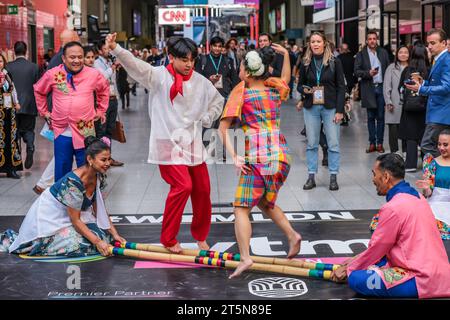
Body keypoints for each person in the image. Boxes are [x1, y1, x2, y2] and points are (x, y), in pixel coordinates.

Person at [106, 33, 224, 253]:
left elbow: (218, 101)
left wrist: (208, 117)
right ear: (171, 57)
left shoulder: (201, 82)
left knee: (203, 190)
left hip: (192, 143)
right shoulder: (158, 76)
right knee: (183, 186)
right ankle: (168, 239)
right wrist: (116, 49)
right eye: (184, 59)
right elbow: (135, 65)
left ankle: (200, 236)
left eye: (192, 60)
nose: (189, 64)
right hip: (167, 143)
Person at [219, 44, 302, 279]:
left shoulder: (241, 92)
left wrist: (235, 157)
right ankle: (292, 236)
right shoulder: (274, 89)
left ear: (247, 71)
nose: (239, 70)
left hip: (258, 157)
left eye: (242, 66)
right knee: (266, 204)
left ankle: (245, 257)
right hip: (281, 157)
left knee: (241, 208)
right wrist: (286, 55)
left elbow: (222, 128)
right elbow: (285, 78)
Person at [331, 153, 450, 298]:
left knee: (356, 278)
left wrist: (349, 268)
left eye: (374, 174)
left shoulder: (393, 207)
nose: (373, 179)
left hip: (422, 278)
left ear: (386, 177)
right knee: (367, 265)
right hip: (442, 274)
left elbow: (378, 248)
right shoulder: (418, 197)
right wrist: (357, 259)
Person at [0, 136, 126, 257]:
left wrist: (115, 234)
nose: (108, 163)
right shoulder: (73, 183)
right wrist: (97, 242)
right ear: (90, 159)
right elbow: (75, 221)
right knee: (80, 244)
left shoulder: (99, 175)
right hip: (50, 219)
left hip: (69, 217)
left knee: (104, 236)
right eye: (103, 160)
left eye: (109, 159)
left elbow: (100, 209)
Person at [33, 41, 110, 182]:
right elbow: (39, 90)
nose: (77, 61)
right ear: (63, 58)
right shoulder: (53, 74)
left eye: (80, 57)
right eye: (72, 57)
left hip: (85, 131)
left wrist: (100, 111)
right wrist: (44, 112)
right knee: (62, 169)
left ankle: (87, 200)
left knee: (87, 169)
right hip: (61, 130)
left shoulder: (93, 74)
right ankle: (62, 201)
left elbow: (104, 90)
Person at [297, 31, 346, 191]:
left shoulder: (334, 62)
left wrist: (340, 111)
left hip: (331, 107)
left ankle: (333, 176)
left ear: (324, 43)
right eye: (313, 42)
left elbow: (341, 86)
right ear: (309, 44)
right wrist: (305, 90)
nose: (316, 44)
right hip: (311, 106)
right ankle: (311, 176)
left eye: (318, 41)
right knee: (311, 143)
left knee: (333, 143)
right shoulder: (305, 62)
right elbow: (299, 85)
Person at [405, 28, 450, 158]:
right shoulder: (439, 59)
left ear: (444, 43)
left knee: (427, 145)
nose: (429, 46)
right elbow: (439, 84)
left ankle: (441, 171)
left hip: (441, 112)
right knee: (435, 145)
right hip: (438, 111)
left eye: (433, 43)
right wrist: (423, 83)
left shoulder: (446, 60)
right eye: (428, 43)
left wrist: (421, 89)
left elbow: (446, 87)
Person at [354, 30, 390, 153]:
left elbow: (388, 70)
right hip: (368, 88)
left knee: (381, 117)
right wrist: (368, 73)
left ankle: (379, 143)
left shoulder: (383, 53)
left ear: (377, 40)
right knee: (370, 117)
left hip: (381, 87)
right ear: (366, 41)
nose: (372, 41)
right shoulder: (361, 54)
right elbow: (356, 71)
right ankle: (372, 143)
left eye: (374, 38)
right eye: (370, 39)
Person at [6, 41, 40, 170]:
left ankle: (17, 157)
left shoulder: (8, 67)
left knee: (15, 133)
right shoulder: (34, 67)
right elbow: (39, 87)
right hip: (30, 105)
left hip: (13, 105)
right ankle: (30, 146)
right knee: (29, 130)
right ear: (26, 51)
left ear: (14, 51)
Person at [399, 44, 429, 172]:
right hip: (425, 108)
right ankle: (426, 163)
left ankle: (410, 164)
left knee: (411, 136)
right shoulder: (429, 70)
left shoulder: (407, 70)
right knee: (425, 136)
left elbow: (400, 89)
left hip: (409, 108)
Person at [94, 39, 124, 167]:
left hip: (113, 99)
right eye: (106, 49)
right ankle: (100, 158)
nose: (108, 51)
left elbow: (113, 82)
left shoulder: (109, 61)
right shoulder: (97, 63)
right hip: (103, 101)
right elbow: (103, 77)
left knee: (110, 129)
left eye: (109, 49)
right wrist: (112, 68)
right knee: (102, 129)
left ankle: (108, 157)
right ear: (100, 51)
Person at [416, 130, 450, 240]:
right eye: (439, 144)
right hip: (435, 207)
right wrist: (426, 188)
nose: (441, 148)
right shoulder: (431, 162)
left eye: (445, 145)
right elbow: (428, 193)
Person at [383, 46, 409, 155]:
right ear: (397, 54)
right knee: (393, 127)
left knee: (407, 127)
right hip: (394, 101)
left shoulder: (412, 68)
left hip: (409, 102)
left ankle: (406, 152)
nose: (403, 54)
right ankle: (394, 152)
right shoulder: (391, 68)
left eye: (406, 52)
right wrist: (388, 101)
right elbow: (386, 86)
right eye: (401, 52)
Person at [0, 54, 22, 179]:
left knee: (11, 139)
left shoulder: (7, 74)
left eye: (1, 61)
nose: (0, 64)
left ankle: (11, 168)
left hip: (9, 112)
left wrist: (16, 101)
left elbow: (13, 90)